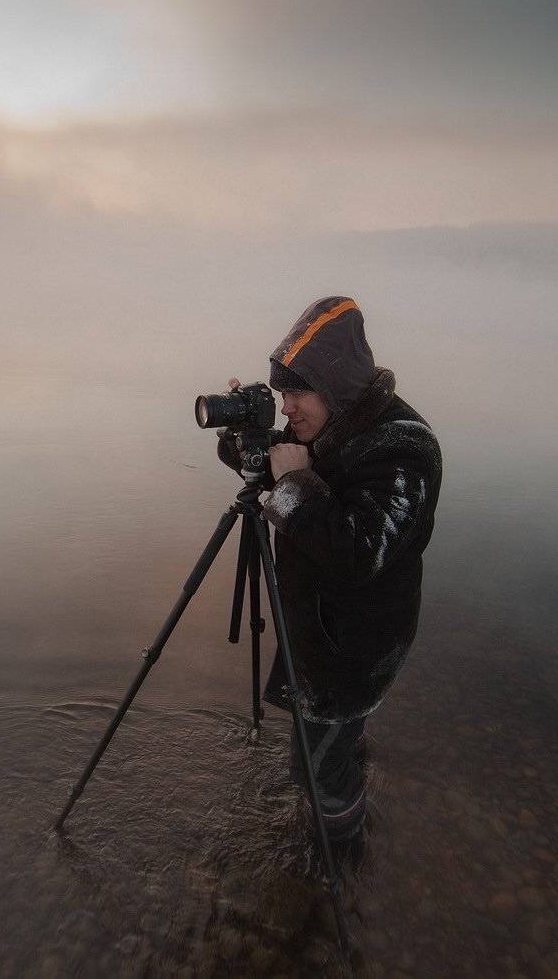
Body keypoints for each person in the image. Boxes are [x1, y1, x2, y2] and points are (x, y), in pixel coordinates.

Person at [217, 296, 442, 842]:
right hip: (320, 626)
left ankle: (338, 850)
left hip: (355, 643)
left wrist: (293, 485)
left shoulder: (404, 449)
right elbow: (275, 462)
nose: (288, 408)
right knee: (337, 734)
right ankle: (349, 751)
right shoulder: (328, 423)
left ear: (334, 383)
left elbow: (361, 553)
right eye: (281, 394)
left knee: (315, 771)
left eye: (297, 392)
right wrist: (244, 435)